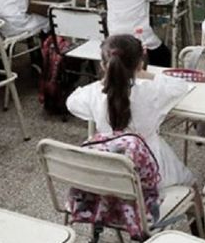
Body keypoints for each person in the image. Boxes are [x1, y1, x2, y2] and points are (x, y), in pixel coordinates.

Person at [66, 34, 194, 188]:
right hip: (151, 169)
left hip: (109, 171)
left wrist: (105, 81)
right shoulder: (151, 90)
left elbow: (71, 102)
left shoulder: (93, 94)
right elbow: (180, 86)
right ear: (140, 64)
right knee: (189, 181)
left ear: (103, 66)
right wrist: (146, 74)